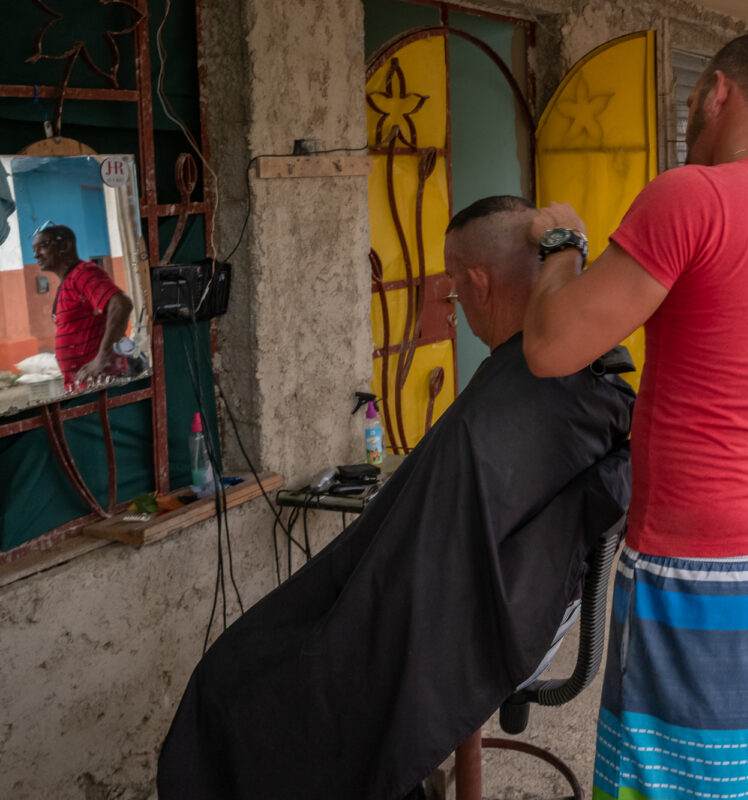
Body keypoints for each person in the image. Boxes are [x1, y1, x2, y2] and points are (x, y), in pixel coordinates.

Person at [156, 196, 636, 800]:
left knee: (236, 686)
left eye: (456, 294)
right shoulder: (588, 381)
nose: (458, 312)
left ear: (480, 283)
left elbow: (433, 565)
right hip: (507, 608)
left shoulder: (514, 398)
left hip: (480, 630)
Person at [522, 34, 748, 800]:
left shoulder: (691, 195)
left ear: (715, 93)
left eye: (689, 103)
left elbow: (551, 345)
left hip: (708, 573)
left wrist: (561, 248)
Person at [32, 224, 132, 387]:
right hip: (88, 386)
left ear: (65, 246)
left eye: (43, 246)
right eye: (34, 249)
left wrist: (102, 358)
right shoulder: (69, 281)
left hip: (105, 383)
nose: (36, 255)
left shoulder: (83, 273)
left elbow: (121, 304)